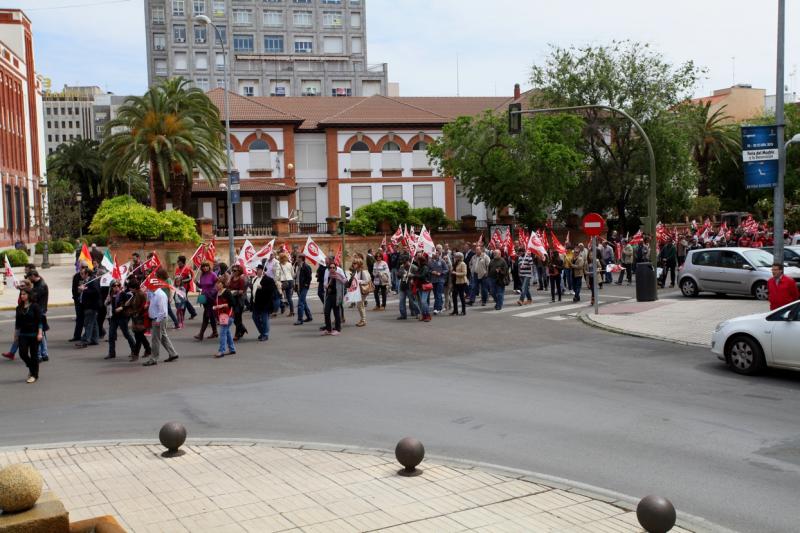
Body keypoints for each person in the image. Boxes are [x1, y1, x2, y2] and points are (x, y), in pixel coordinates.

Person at [142, 268, 179, 366]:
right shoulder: (153, 293)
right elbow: (147, 296)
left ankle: (154, 358)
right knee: (162, 337)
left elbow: (162, 311)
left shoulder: (160, 295)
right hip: (156, 318)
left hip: (159, 319)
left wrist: (157, 321)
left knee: (155, 339)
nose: (148, 287)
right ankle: (173, 353)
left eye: (149, 285)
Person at [15, 288, 42, 384]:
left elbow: (40, 321)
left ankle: (34, 375)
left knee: (34, 355)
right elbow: (17, 323)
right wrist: (16, 335)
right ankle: (32, 367)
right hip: (23, 334)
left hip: (34, 334)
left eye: (24, 294)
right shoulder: (19, 308)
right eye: (21, 294)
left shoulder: (35, 306)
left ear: (29, 295)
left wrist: (39, 333)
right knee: (22, 353)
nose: (22, 296)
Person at [105, 281, 136, 360]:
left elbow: (128, 305)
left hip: (122, 317)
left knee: (126, 334)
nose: (116, 287)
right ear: (112, 287)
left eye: (118, 285)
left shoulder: (123, 294)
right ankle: (111, 353)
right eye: (114, 286)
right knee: (111, 335)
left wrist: (122, 307)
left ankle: (134, 350)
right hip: (114, 317)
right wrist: (108, 300)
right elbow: (105, 304)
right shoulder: (111, 294)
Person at [124, 280, 151, 362]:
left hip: (140, 318)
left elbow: (142, 307)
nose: (129, 290)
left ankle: (136, 354)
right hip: (136, 318)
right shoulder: (135, 294)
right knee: (140, 336)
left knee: (138, 337)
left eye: (130, 288)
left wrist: (133, 312)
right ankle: (148, 349)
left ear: (134, 288)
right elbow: (130, 304)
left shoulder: (141, 294)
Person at [27, 270, 49, 362]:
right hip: (40, 311)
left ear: (33, 276)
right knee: (41, 334)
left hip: (39, 312)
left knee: (38, 334)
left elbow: (33, 297)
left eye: (29, 277)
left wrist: (26, 290)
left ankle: (39, 355)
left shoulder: (41, 286)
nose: (29, 279)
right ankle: (44, 354)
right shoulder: (38, 284)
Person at [76, 268, 101, 348]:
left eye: (83, 273)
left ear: (87, 274)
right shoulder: (87, 281)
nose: (81, 275)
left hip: (91, 306)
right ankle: (95, 339)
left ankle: (85, 340)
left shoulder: (93, 281)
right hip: (87, 305)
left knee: (88, 324)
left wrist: (85, 290)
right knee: (93, 323)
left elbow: (96, 292)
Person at [252, 264, 277, 340]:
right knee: (255, 317)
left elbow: (272, 291)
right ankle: (262, 332)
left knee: (264, 319)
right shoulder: (255, 279)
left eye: (259, 269)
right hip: (256, 302)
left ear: (263, 271)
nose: (257, 271)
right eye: (257, 269)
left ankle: (265, 334)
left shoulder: (269, 280)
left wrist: (262, 288)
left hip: (265, 303)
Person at [195, 262, 218, 341]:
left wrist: (213, 292)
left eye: (206, 266)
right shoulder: (202, 275)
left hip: (211, 297)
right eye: (203, 266)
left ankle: (201, 334)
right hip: (204, 297)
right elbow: (202, 286)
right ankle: (215, 332)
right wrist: (196, 283)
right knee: (210, 315)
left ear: (209, 267)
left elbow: (217, 284)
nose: (205, 267)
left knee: (206, 315)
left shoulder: (213, 275)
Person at [323, 259, 346, 335]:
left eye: (333, 267)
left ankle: (337, 329)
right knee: (326, 312)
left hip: (337, 295)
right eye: (331, 268)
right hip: (329, 295)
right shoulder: (327, 274)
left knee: (336, 313)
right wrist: (325, 285)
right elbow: (325, 283)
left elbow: (346, 281)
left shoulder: (338, 274)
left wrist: (339, 278)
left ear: (336, 268)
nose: (332, 269)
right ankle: (329, 329)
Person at [213, 279, 235, 358]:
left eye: (219, 283)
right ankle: (232, 349)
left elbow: (232, 303)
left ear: (222, 284)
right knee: (227, 332)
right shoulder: (217, 293)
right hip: (222, 316)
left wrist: (222, 305)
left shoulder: (227, 292)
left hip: (228, 315)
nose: (217, 285)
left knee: (222, 333)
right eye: (216, 284)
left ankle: (221, 351)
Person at [227, 265, 248, 340]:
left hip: (239, 301)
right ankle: (242, 329)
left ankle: (237, 334)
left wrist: (234, 292)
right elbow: (228, 286)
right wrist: (229, 278)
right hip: (233, 300)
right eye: (233, 270)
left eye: (235, 270)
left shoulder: (241, 280)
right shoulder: (232, 278)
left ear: (239, 271)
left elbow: (242, 291)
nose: (233, 272)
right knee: (235, 318)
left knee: (237, 318)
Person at [173, 256, 198, 320]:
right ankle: (193, 312)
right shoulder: (177, 269)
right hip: (178, 287)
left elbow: (190, 278)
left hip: (184, 288)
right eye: (177, 262)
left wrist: (182, 281)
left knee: (182, 301)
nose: (178, 263)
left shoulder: (187, 269)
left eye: (179, 262)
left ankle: (182, 315)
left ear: (182, 262)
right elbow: (175, 277)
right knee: (184, 300)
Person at [351, 257, 371, 327]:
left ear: (359, 264)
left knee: (360, 305)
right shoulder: (356, 271)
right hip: (358, 290)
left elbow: (367, 281)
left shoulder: (363, 272)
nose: (353, 265)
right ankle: (362, 319)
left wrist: (358, 281)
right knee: (360, 305)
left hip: (363, 290)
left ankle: (363, 320)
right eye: (353, 263)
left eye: (355, 263)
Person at [412, 253, 432, 321]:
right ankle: (424, 315)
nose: (417, 262)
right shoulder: (420, 267)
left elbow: (422, 276)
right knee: (422, 302)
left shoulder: (425, 267)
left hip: (425, 286)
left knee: (423, 302)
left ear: (420, 261)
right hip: (420, 286)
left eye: (418, 261)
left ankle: (428, 315)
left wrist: (413, 275)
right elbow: (417, 275)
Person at [294, 254, 313, 325]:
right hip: (299, 286)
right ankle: (309, 316)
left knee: (300, 303)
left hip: (304, 287)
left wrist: (306, 285)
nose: (296, 259)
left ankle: (300, 319)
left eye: (297, 257)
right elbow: (297, 276)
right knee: (303, 302)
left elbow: (309, 277)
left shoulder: (306, 266)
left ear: (301, 259)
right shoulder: (298, 266)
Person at [69, 265, 87, 342]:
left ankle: (89, 335)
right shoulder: (76, 276)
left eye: (84, 268)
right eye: (81, 268)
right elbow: (73, 288)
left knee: (88, 319)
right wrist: (76, 298)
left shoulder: (89, 277)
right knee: (79, 318)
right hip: (78, 300)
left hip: (86, 301)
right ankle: (77, 336)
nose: (82, 269)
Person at [429, 251, 449, 315]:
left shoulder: (442, 261)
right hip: (433, 280)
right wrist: (432, 272)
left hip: (440, 280)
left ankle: (436, 308)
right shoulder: (430, 262)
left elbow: (446, 269)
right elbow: (428, 270)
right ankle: (440, 307)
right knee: (436, 295)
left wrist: (441, 273)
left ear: (439, 254)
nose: (436, 254)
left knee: (438, 294)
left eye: (437, 253)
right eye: (435, 253)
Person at [275, 252, 295, 317]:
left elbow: (277, 275)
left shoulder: (279, 265)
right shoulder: (289, 264)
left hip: (283, 282)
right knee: (289, 297)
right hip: (290, 281)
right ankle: (292, 311)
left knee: (277, 295)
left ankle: (278, 308)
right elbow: (293, 273)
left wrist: (276, 280)